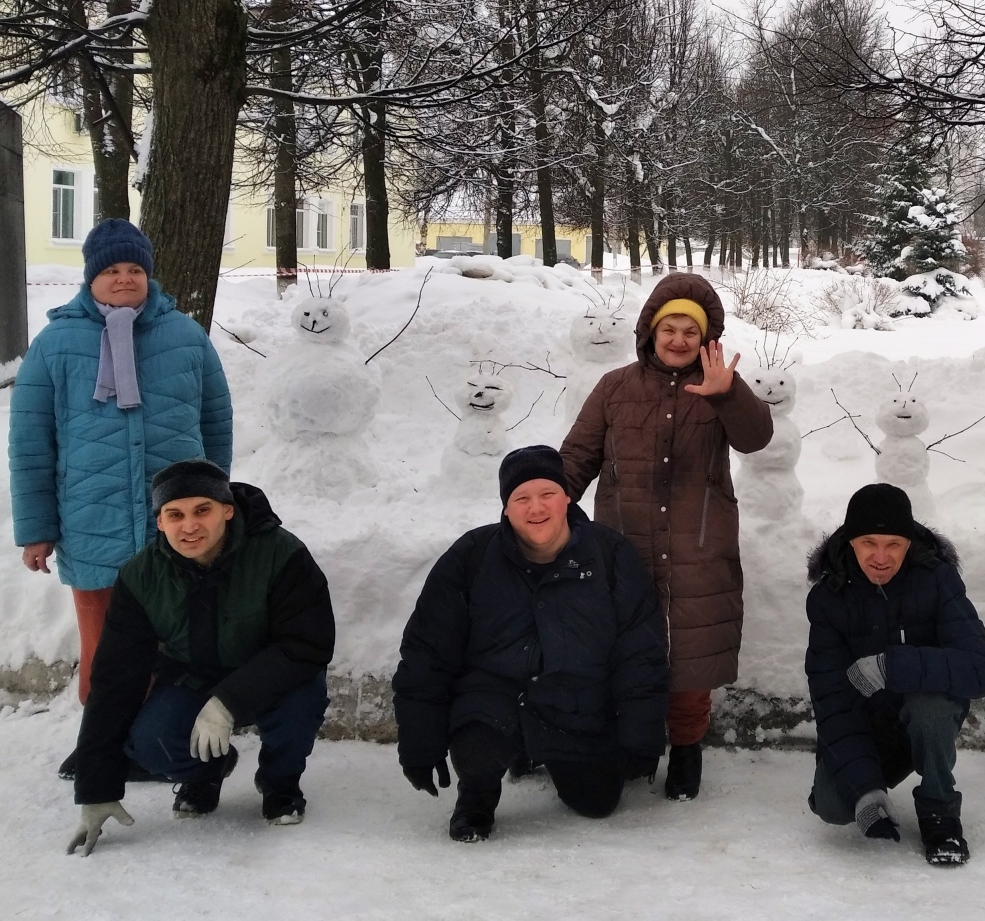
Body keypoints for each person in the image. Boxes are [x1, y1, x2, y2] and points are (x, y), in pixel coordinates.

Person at [9, 218, 233, 775]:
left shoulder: (185, 336)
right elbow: (30, 444)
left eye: (134, 268)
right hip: (92, 526)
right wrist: (36, 528)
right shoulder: (57, 343)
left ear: (149, 274)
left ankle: (152, 745)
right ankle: (103, 744)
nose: (125, 278)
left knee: (171, 649)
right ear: (91, 279)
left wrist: (213, 507)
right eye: (112, 269)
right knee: (105, 652)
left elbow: (217, 423)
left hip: (175, 532)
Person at [560, 273, 772, 801]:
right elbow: (578, 457)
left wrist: (729, 396)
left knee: (689, 655)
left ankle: (686, 747)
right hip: (623, 543)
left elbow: (756, 438)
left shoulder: (719, 388)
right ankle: (628, 742)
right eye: (669, 329)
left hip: (696, 543)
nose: (679, 340)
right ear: (649, 333)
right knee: (622, 648)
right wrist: (542, 502)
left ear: (706, 340)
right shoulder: (614, 387)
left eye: (690, 333)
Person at [393, 445, 669, 842]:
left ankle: (546, 752)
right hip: (494, 700)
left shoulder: (610, 555)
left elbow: (640, 651)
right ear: (506, 508)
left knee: (598, 803)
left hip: (576, 702)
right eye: (521, 498)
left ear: (567, 498)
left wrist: (641, 734)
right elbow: (427, 652)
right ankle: (478, 791)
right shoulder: (471, 557)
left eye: (547, 494)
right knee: (479, 749)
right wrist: (420, 742)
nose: (535, 507)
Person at [65, 460, 335, 856]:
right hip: (195, 677)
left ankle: (280, 783)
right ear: (160, 522)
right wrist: (96, 790)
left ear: (227, 510)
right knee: (151, 740)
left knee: (299, 711)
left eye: (202, 511)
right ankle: (206, 774)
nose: (189, 526)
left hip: (275, 672)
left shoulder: (281, 553)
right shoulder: (141, 576)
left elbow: (306, 644)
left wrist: (228, 703)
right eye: (175, 515)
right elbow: (114, 680)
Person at [805, 483, 985, 867]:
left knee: (929, 707)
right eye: (868, 543)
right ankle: (873, 781)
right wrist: (867, 790)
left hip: (926, 712)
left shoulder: (936, 579)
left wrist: (890, 667)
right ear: (850, 541)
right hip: (870, 722)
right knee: (833, 805)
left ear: (909, 543)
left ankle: (939, 811)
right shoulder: (829, 598)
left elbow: (980, 670)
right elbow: (832, 700)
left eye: (893, 544)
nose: (880, 557)